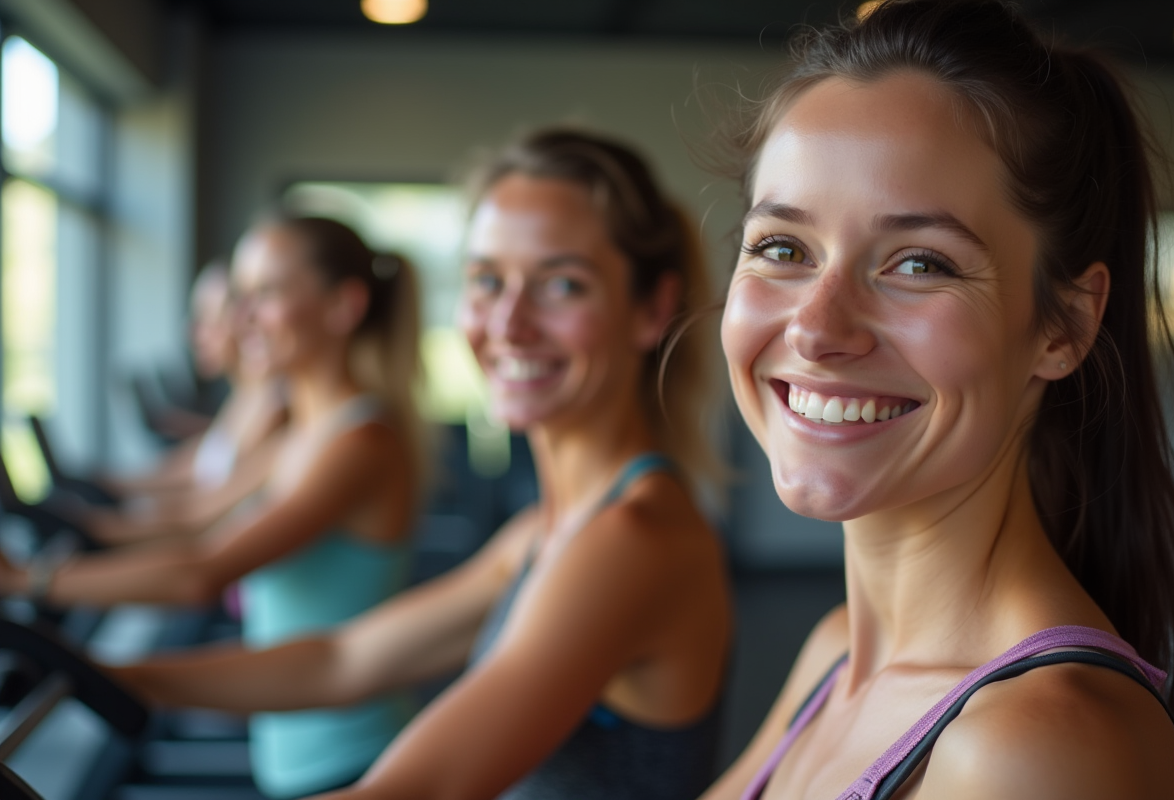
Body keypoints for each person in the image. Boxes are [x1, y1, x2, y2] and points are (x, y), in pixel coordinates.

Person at [112, 128, 733, 800]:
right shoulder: (545, 531)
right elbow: (340, 661)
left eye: (562, 285)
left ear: (652, 309)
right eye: (487, 280)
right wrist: (124, 676)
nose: (509, 322)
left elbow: (418, 789)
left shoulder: (633, 540)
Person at [701, 2, 1174, 798]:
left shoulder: (1035, 748)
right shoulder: (838, 653)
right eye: (783, 248)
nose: (818, 329)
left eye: (920, 263)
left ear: (1062, 327)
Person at [0, 217, 428, 798]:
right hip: (292, 747)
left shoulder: (359, 443)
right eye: (241, 296)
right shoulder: (303, 433)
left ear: (342, 306)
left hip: (350, 757)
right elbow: (196, 519)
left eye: (267, 294)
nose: (241, 317)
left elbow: (202, 571)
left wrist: (29, 579)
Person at [86, 260, 289, 544]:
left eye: (208, 317)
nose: (193, 332)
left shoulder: (276, 408)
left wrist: (95, 522)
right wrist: (103, 485)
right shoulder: (245, 396)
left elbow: (199, 515)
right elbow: (192, 467)